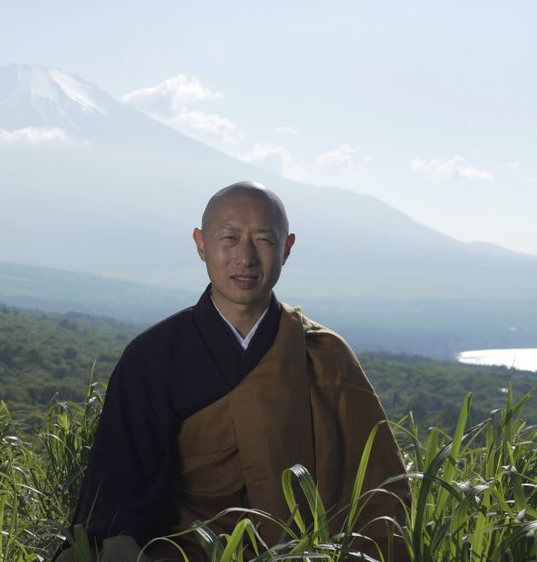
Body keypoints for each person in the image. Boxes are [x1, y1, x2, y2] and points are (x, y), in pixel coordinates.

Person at [56, 181, 409, 562]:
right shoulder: (153, 356)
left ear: (287, 248)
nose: (246, 257)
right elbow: (118, 486)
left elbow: (379, 489)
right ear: (201, 244)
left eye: (263, 239)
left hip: (303, 554)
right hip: (179, 552)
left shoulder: (323, 355)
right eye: (229, 238)